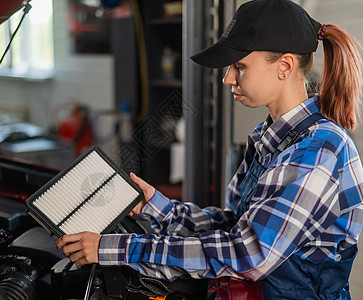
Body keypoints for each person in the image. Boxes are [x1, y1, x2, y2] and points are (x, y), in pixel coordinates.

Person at [56, 0, 363, 298]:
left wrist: (115, 248)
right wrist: (155, 205)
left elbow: (247, 254)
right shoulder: (268, 138)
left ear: (284, 66)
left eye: (240, 66)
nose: (228, 77)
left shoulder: (316, 150)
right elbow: (235, 224)